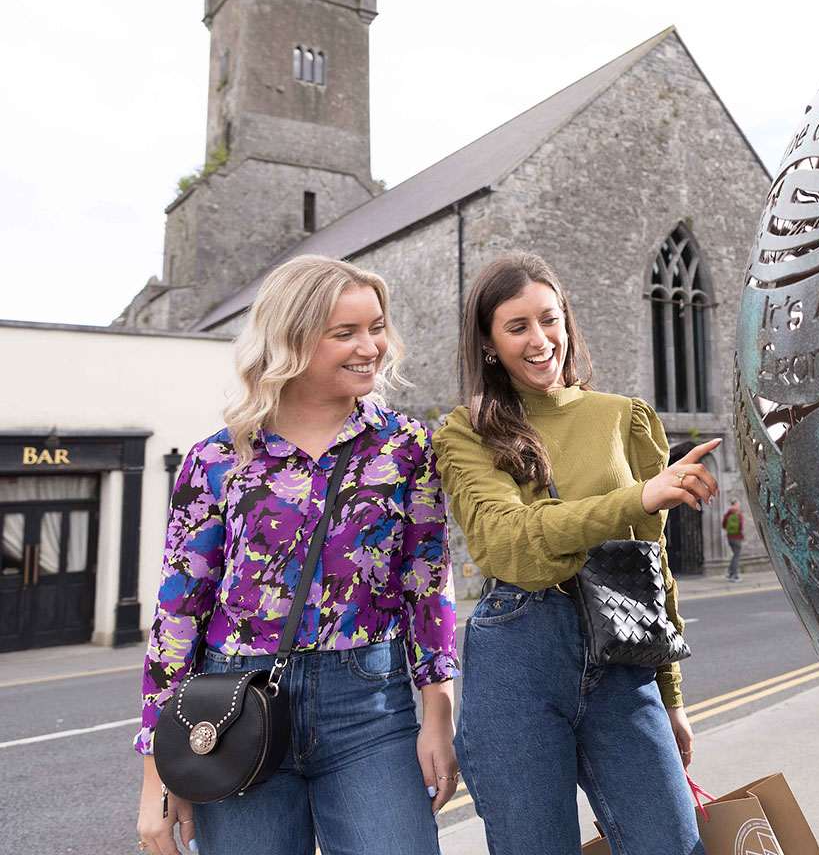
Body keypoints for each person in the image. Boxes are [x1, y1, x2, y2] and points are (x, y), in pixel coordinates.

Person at [135, 254, 459, 855]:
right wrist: (160, 770)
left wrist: (438, 713)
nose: (372, 346)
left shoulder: (407, 446)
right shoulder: (218, 459)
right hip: (232, 705)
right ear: (291, 340)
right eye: (346, 333)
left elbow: (427, 584)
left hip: (370, 705)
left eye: (377, 326)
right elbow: (178, 611)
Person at [433, 251, 717, 855]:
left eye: (550, 319)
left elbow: (651, 563)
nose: (541, 340)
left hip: (622, 657)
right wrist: (634, 499)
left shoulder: (623, 419)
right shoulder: (466, 432)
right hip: (518, 657)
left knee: (672, 843)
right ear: (488, 343)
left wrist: (671, 696)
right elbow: (512, 546)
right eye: (517, 327)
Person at [723, 499, 744, 581]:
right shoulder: (738, 514)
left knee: (734, 555)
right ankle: (733, 575)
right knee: (736, 556)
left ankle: (730, 572)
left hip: (730, 537)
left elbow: (724, 524)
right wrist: (741, 535)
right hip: (737, 537)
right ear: (735, 504)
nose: (739, 505)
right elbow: (740, 526)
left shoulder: (728, 514)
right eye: (738, 503)